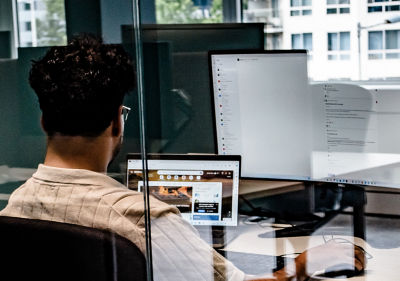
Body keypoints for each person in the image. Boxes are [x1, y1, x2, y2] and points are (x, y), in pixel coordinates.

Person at [0, 34, 365, 281]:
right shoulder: (141, 218)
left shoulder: (16, 207)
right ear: (116, 122)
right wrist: (301, 267)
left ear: (44, 120)